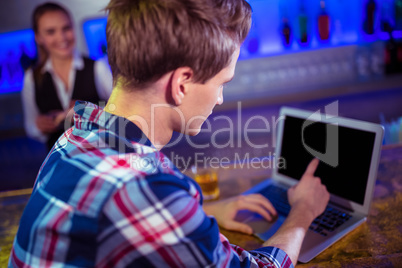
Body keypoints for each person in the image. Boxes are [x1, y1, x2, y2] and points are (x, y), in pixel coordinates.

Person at [9, 0, 330, 267]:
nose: (220, 98)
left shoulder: (74, 136)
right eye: (222, 83)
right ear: (182, 84)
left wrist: (198, 213)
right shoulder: (144, 184)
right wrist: (303, 210)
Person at [21, 2, 112, 150]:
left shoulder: (97, 67)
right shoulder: (31, 78)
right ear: (38, 37)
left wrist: (90, 111)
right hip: (61, 162)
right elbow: (30, 127)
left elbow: (121, 112)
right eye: (51, 32)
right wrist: (39, 126)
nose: (62, 37)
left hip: (101, 154)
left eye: (66, 28)